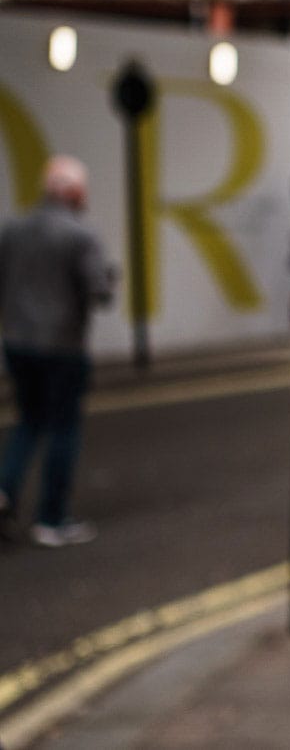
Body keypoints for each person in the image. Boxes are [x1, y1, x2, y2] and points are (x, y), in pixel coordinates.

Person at [0, 156, 118, 547]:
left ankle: (4, 492)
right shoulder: (80, 235)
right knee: (63, 428)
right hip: (63, 346)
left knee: (28, 422)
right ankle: (52, 518)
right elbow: (99, 290)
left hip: (18, 342)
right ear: (74, 192)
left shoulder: (14, 229)